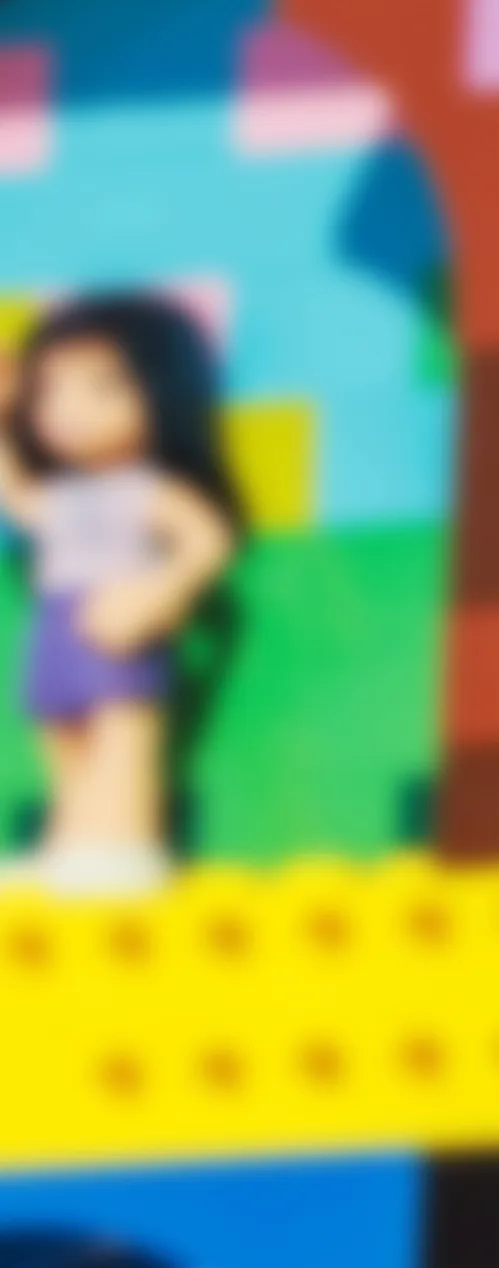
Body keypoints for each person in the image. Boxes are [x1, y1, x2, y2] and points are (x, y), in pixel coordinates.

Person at [7, 288, 242, 890]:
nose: (68, 411)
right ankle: (70, 848)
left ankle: (122, 849)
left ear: (162, 392)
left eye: (102, 386)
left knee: (120, 731)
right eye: (49, 390)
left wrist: (157, 595)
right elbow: (24, 504)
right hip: (60, 621)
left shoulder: (149, 491)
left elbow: (209, 541)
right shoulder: (63, 495)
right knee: (60, 732)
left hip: (119, 621)